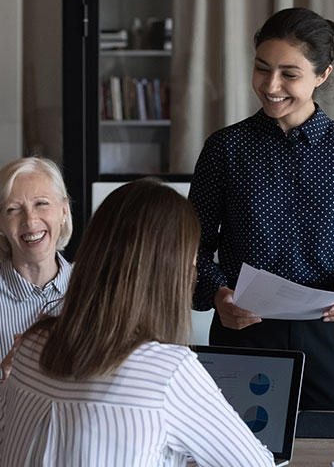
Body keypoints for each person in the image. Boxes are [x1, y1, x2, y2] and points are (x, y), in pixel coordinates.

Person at [189, 7, 334, 411]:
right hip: (242, 332)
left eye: (289, 74)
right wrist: (218, 295)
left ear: (322, 76)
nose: (271, 85)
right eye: (262, 69)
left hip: (326, 336)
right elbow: (190, 248)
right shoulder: (225, 148)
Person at [0, 179, 274, 466]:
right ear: (172, 269)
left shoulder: (31, 345)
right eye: (192, 258)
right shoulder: (168, 371)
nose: (194, 270)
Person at [0, 157, 72, 371]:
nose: (30, 220)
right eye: (13, 209)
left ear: (63, 211)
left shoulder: (98, 289)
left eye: (41, 203)